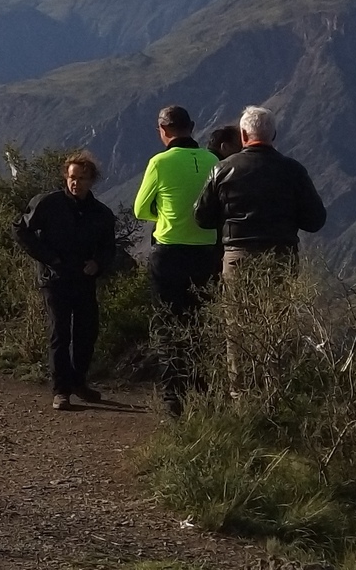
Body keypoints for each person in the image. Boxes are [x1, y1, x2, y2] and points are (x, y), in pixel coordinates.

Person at [13, 151, 118, 411]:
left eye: (82, 178)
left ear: (92, 180)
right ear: (65, 177)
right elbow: (20, 229)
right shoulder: (48, 203)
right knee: (60, 333)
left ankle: (78, 382)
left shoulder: (101, 214)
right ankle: (61, 391)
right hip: (55, 278)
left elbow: (108, 247)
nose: (76, 183)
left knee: (86, 332)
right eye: (72, 177)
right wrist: (49, 258)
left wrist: (98, 264)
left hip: (83, 279)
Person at [132, 104, 220, 412]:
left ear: (163, 131)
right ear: (192, 126)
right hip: (207, 254)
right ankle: (202, 392)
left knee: (169, 325)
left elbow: (140, 209)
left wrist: (168, 214)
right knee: (200, 323)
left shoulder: (160, 162)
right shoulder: (213, 160)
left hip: (169, 252)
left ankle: (173, 399)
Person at [191, 105, 327, 279]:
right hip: (281, 259)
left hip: (237, 258)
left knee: (238, 306)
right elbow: (315, 220)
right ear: (274, 135)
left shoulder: (223, 169)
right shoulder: (294, 170)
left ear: (243, 135)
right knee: (279, 307)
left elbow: (202, 217)